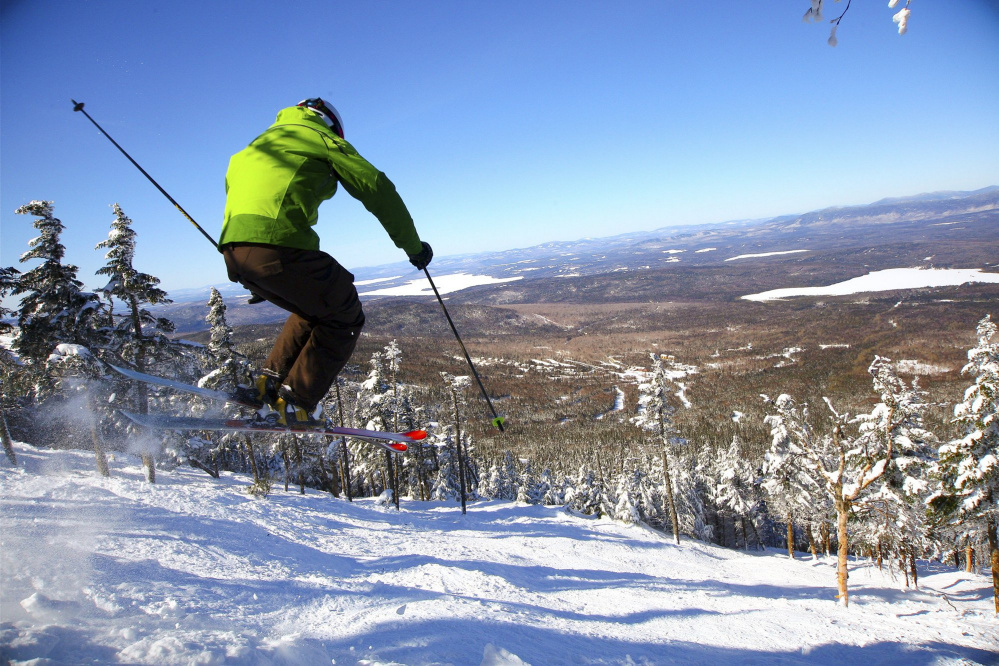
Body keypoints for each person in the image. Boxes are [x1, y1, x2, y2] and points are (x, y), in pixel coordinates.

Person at [218, 98, 432, 425]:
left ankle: (268, 384)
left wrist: (260, 272)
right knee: (344, 311)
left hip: (235, 251)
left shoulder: (256, 146)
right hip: (278, 244)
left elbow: (241, 191)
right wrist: (413, 247)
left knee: (315, 307)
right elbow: (376, 187)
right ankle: (297, 402)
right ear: (330, 123)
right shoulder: (319, 136)